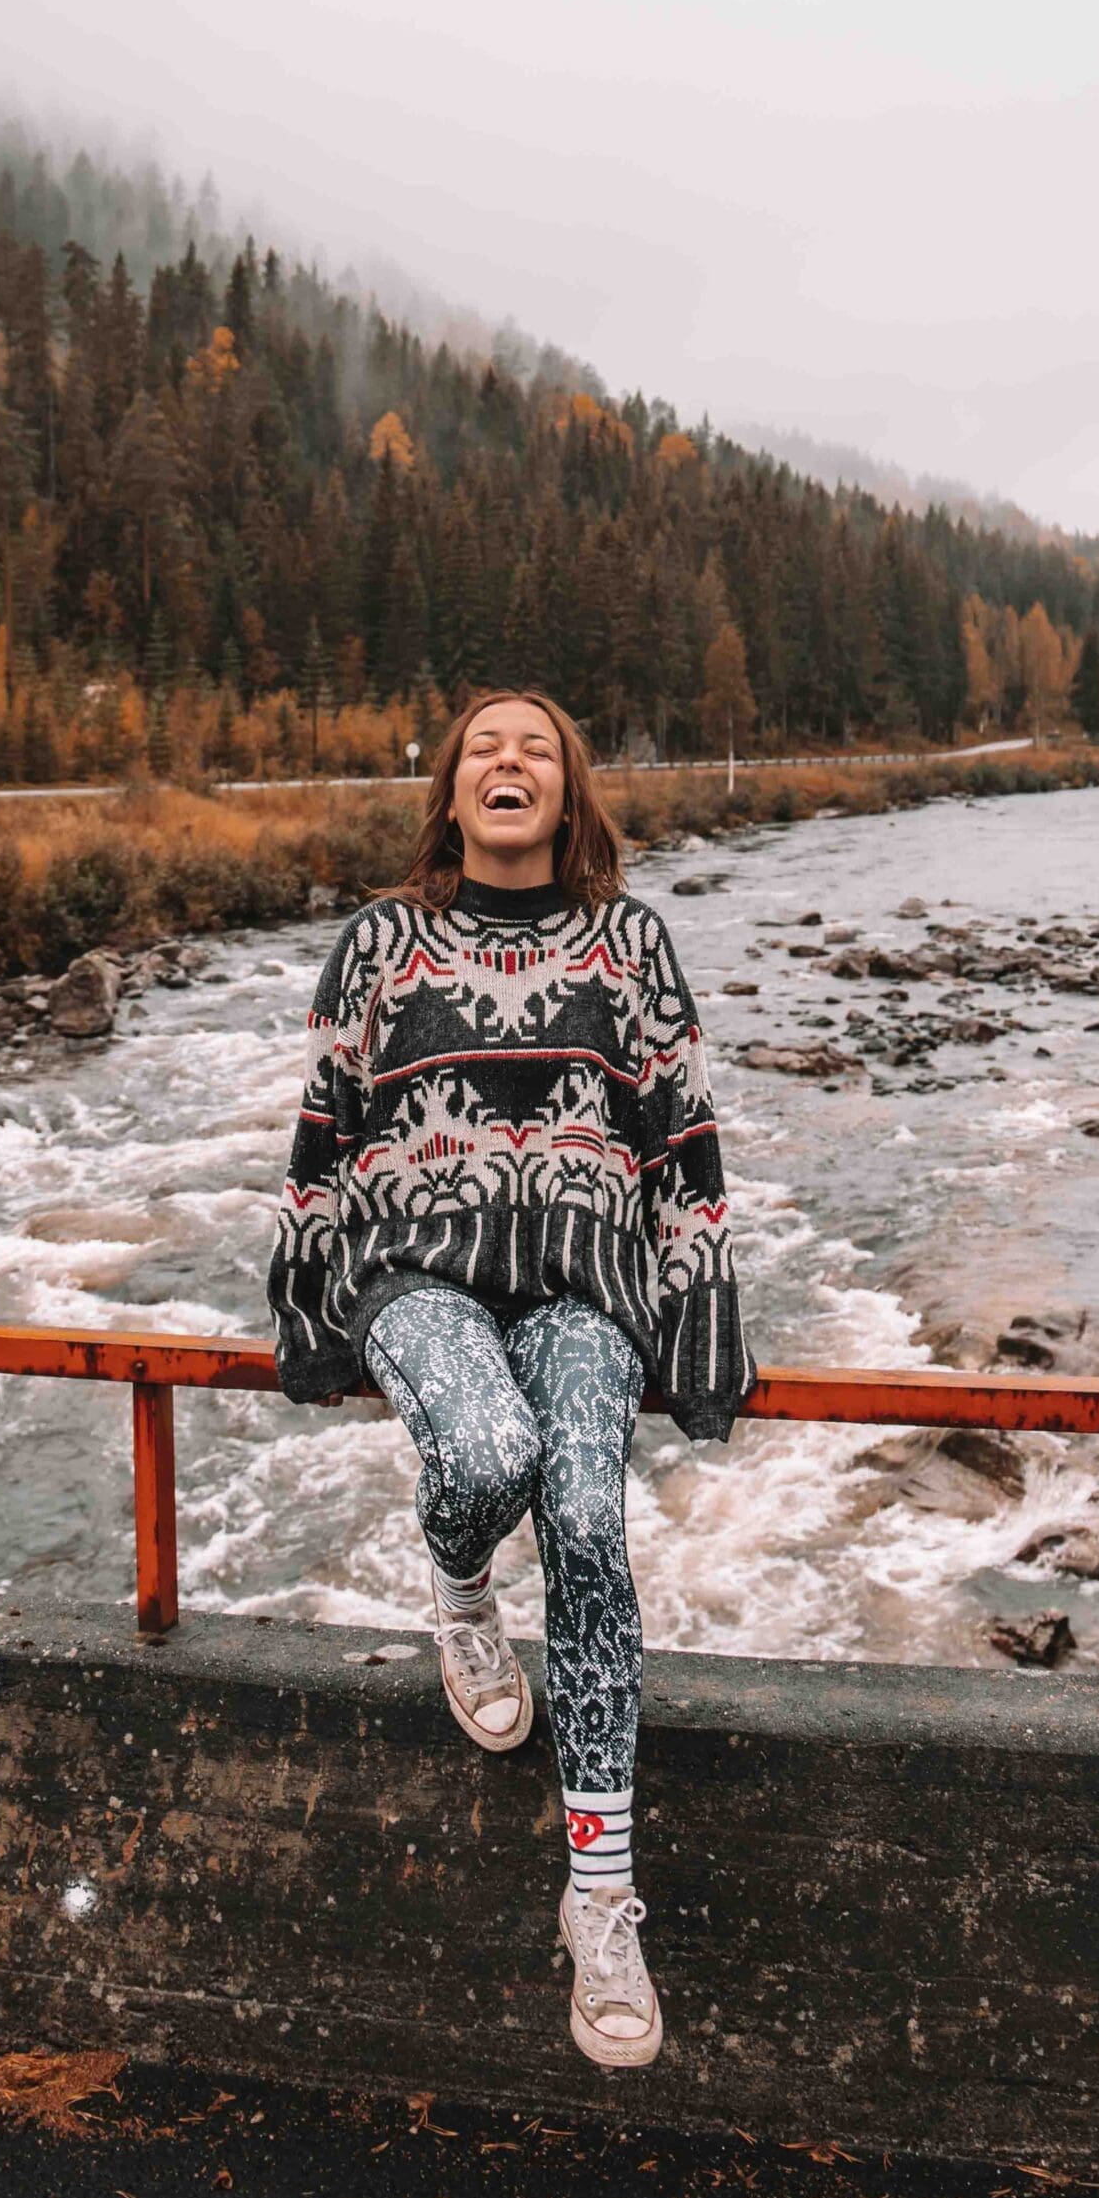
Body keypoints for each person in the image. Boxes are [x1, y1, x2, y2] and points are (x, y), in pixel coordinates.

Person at [266, 685, 755, 2069]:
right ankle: (463, 1593)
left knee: (592, 1525)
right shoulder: (378, 944)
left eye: (535, 748)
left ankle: (600, 1897)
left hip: (588, 1290)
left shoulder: (633, 942)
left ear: (569, 792)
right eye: (486, 745)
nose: (509, 762)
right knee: (484, 1459)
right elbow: (322, 1128)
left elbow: (685, 1139)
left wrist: (704, 1300)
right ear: (451, 788)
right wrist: (304, 1287)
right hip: (413, 1275)